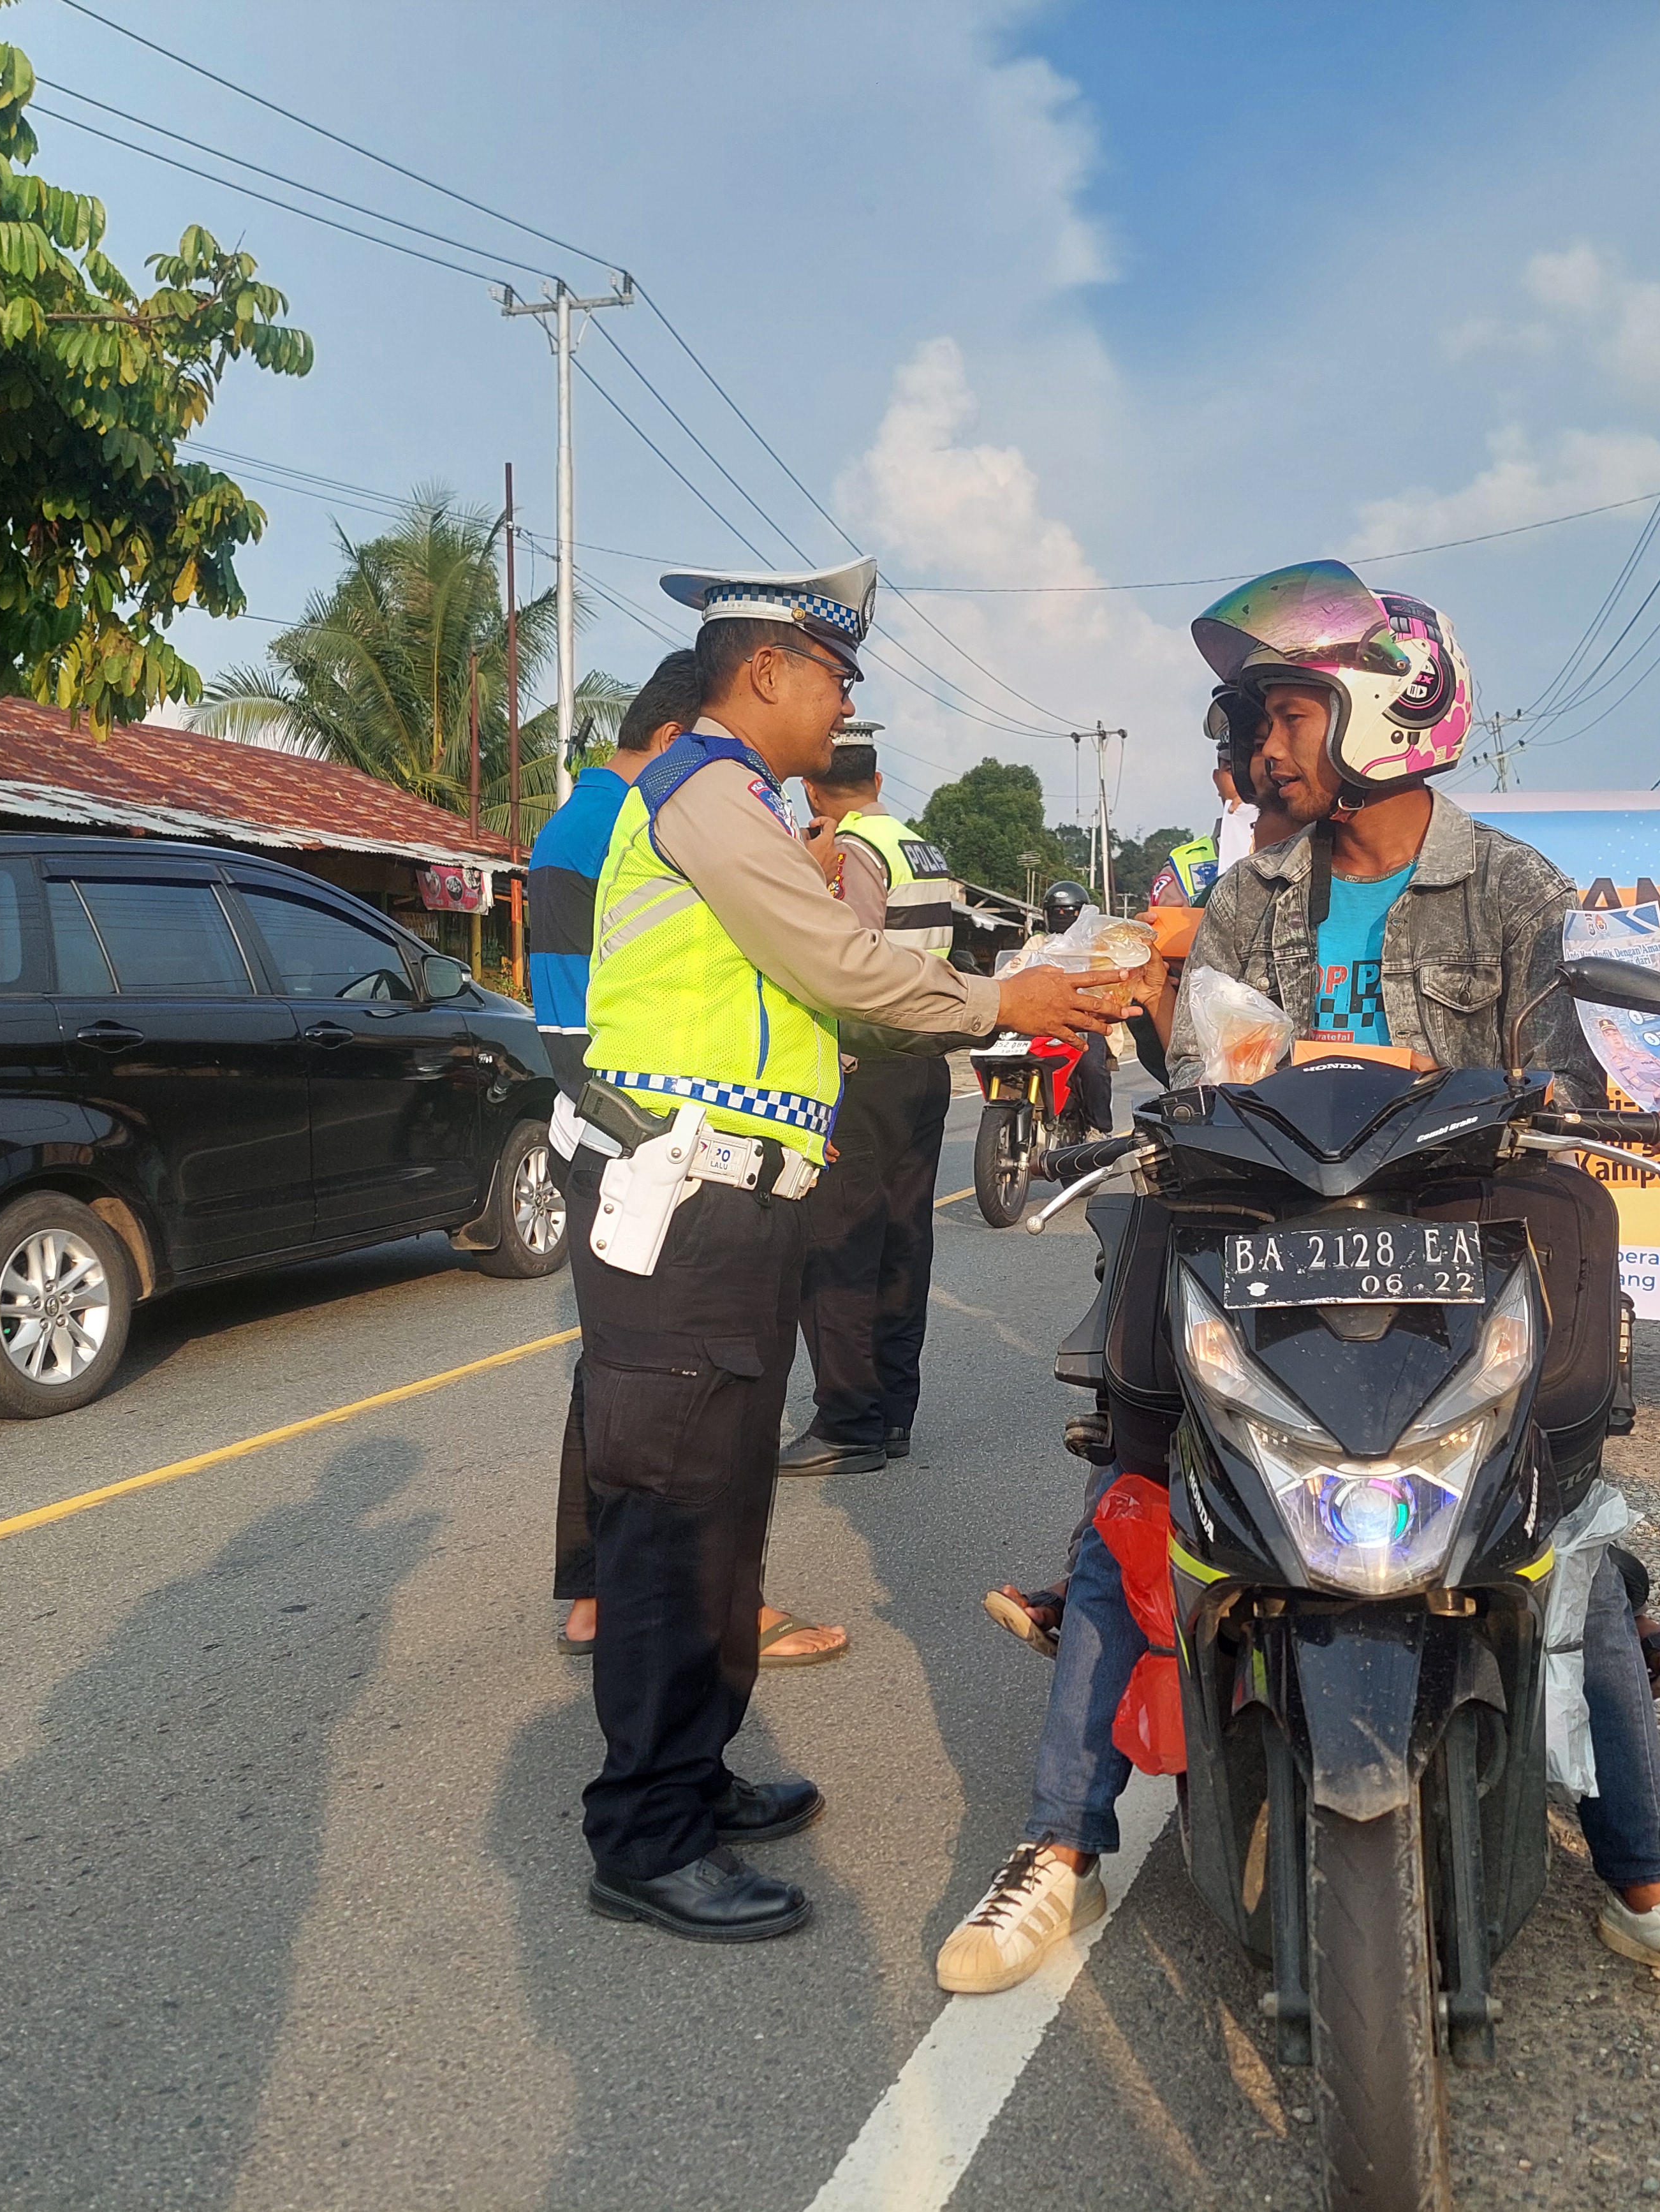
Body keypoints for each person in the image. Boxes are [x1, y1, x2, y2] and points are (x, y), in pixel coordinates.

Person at [942, 562, 1660, 2036]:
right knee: (1138, 1492)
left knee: (1559, 1526)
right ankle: (1057, 1844)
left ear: (1378, 709)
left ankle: (1650, 1886)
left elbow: (1574, 1081)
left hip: (1449, 1277)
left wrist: (1460, 1089)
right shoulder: (1243, 894)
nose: (1260, 743)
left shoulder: (1519, 889)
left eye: (1283, 710)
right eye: (1254, 714)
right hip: (1271, 1267)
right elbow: (1196, 1085)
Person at [568, 556, 1130, 1945]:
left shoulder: (746, 803)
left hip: (735, 1203)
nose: (843, 704)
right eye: (833, 676)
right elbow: (832, 964)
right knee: (670, 1524)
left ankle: (690, 1775)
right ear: (765, 669)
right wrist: (1010, 991)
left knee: (724, 1515)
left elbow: (830, 998)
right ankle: (642, 1833)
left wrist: (1004, 1013)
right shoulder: (703, 790)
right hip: (681, 1205)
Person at [529, 653, 849, 1668]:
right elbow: (595, 1008)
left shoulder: (603, 817)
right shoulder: (638, 815)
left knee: (632, 1398)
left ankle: (606, 1597)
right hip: (656, 1154)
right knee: (670, 1427)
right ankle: (671, 1613)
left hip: (638, 1144)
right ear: (677, 735)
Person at [779, 736, 965, 1477]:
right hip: (924, 1067)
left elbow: (845, 959)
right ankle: (891, 1415)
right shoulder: (919, 845)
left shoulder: (850, 851)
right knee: (900, 1246)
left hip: (867, 1069)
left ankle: (848, 1422)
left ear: (814, 793)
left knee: (837, 1249)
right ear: (878, 780)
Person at [1035, 878, 1117, 1137]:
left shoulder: (1096, 948)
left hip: (1085, 1020)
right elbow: (1009, 972)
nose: (1062, 917)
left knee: (1092, 1067)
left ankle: (1099, 1127)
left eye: (1069, 912)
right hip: (1040, 1021)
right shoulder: (1036, 945)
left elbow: (1111, 983)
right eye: (1056, 912)